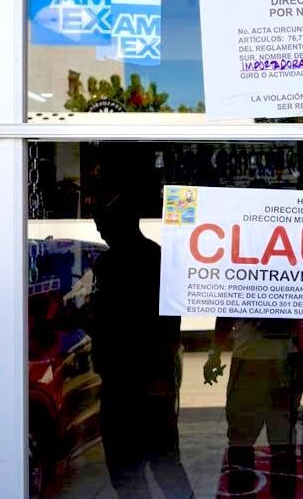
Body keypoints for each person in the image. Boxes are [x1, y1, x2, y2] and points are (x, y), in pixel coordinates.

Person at [89, 194, 193, 499]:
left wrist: (161, 376)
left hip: (138, 380)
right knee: (149, 468)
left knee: (144, 468)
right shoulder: (141, 259)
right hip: (127, 379)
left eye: (103, 226)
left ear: (123, 224)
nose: (100, 232)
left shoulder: (129, 262)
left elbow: (167, 324)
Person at [204, 318, 303, 499]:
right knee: (281, 443)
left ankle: (244, 492)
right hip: (281, 359)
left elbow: (225, 316)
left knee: (243, 442)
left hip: (252, 359)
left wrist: (215, 353)